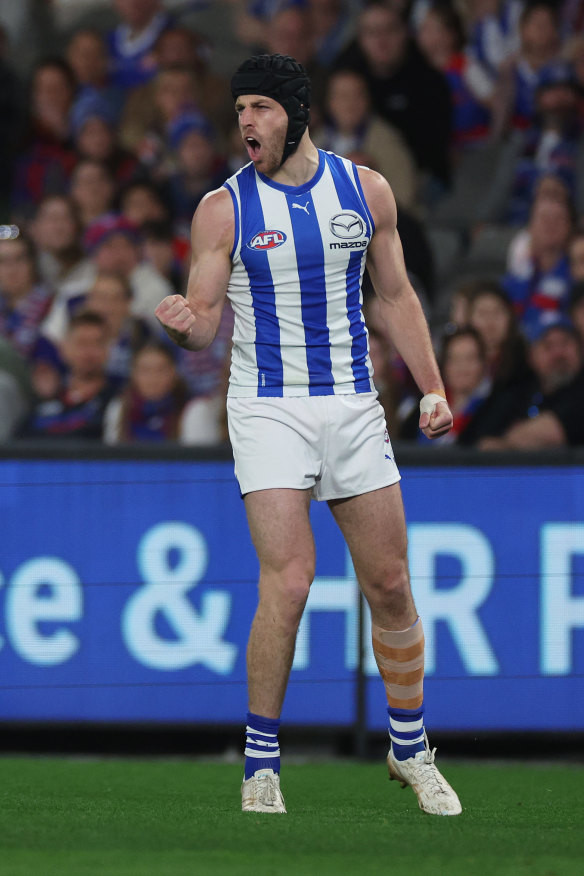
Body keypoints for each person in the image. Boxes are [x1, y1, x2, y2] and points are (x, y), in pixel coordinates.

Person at [155, 52, 461, 817]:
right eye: (239, 110)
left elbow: (393, 296)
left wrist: (430, 387)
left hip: (354, 404)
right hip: (266, 407)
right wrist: (188, 328)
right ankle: (261, 763)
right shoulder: (222, 208)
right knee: (289, 581)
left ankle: (411, 749)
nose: (246, 122)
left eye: (259, 106)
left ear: (295, 112)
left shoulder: (366, 190)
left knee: (390, 583)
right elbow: (205, 316)